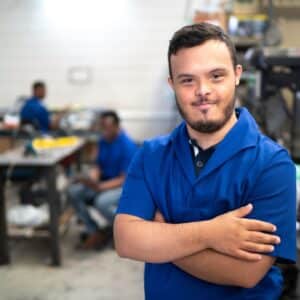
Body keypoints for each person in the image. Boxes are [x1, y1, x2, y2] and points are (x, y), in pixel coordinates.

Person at [114, 23, 296, 299]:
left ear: (237, 75)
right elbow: (127, 241)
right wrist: (211, 233)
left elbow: (246, 273)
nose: (203, 90)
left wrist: (161, 236)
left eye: (216, 76)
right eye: (188, 80)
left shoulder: (271, 164)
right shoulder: (151, 155)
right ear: (172, 85)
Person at [68, 110, 137, 249]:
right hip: (104, 181)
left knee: (102, 202)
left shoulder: (127, 146)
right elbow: (98, 165)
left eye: (107, 128)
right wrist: (92, 178)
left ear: (116, 126)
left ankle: (126, 231)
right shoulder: (104, 141)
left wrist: (100, 187)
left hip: (125, 186)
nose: (103, 131)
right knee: (74, 192)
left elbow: (124, 179)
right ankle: (94, 231)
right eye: (102, 127)